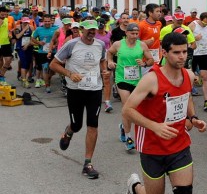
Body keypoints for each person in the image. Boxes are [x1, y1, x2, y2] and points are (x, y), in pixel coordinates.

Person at [122, 32, 207, 194]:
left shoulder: (188, 75)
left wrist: (193, 118)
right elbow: (128, 109)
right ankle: (135, 186)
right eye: (176, 52)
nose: (181, 57)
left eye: (185, 52)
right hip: (152, 148)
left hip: (179, 146)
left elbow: (185, 97)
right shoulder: (152, 79)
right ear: (164, 53)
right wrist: (155, 126)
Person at [50, 20, 110, 179]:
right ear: (82, 29)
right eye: (89, 29)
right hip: (75, 90)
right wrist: (69, 74)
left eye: (94, 29)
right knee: (77, 125)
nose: (92, 32)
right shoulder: (71, 45)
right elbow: (53, 64)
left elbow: (102, 60)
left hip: (95, 90)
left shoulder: (100, 45)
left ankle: (87, 163)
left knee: (93, 125)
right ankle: (69, 132)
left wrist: (104, 71)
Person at [107, 23, 154, 151]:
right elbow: (109, 53)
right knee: (127, 106)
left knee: (137, 108)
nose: (134, 36)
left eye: (136, 33)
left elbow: (151, 60)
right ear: (126, 33)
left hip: (137, 80)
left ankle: (123, 126)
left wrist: (144, 63)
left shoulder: (142, 45)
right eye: (132, 33)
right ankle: (128, 137)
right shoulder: (118, 44)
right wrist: (110, 62)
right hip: (122, 79)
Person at [188, 12, 207, 111]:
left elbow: (205, 38)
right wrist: (194, 38)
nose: (205, 25)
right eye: (204, 23)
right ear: (200, 19)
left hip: (204, 54)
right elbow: (182, 38)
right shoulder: (193, 25)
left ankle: (206, 101)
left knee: (205, 77)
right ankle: (188, 102)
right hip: (193, 54)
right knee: (190, 78)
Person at [31, 14, 58, 92]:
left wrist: (55, 45)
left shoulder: (56, 29)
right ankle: (47, 85)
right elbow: (32, 38)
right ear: (43, 21)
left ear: (51, 21)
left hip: (53, 52)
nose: (47, 23)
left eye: (48, 21)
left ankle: (47, 79)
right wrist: (38, 42)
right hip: (42, 52)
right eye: (45, 21)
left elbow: (59, 39)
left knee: (53, 71)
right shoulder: (39, 29)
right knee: (45, 68)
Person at [14, 17, 34, 88]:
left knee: (29, 62)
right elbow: (18, 36)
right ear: (21, 22)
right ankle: (24, 80)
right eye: (24, 22)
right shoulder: (17, 28)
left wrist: (28, 44)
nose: (26, 24)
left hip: (28, 46)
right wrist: (24, 29)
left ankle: (23, 75)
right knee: (24, 62)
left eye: (27, 22)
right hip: (20, 47)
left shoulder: (31, 27)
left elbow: (33, 38)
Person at [0, 6, 14, 84]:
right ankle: (1, 78)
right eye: (3, 12)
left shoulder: (6, 19)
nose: (5, 13)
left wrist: (10, 34)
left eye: (6, 12)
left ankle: (1, 75)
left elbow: (7, 29)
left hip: (6, 42)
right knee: (0, 61)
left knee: (8, 60)